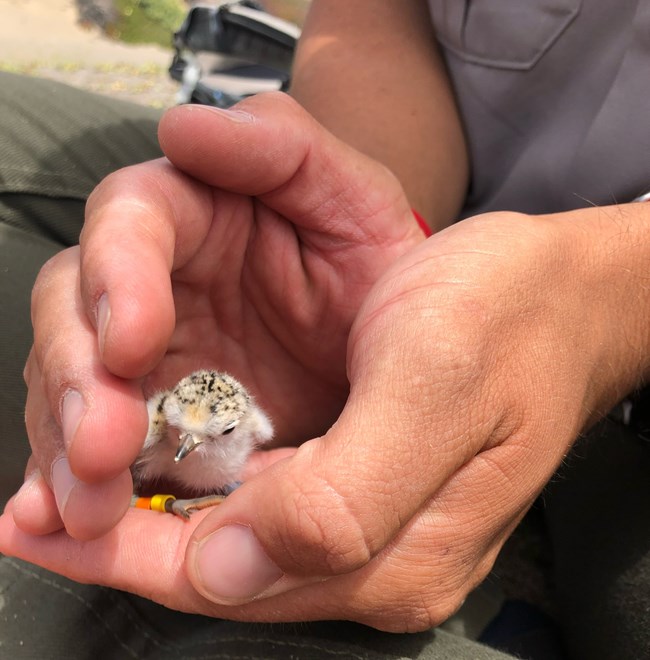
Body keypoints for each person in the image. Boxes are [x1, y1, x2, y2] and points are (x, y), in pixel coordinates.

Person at [1, 1, 649, 659]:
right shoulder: (190, 429)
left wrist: (613, 299)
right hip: (433, 238)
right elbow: (374, 20)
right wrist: (347, 239)